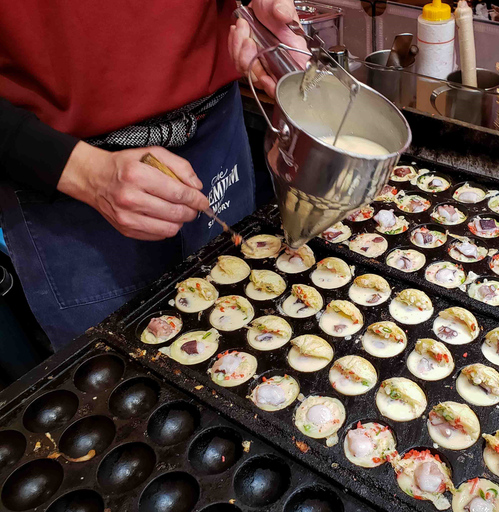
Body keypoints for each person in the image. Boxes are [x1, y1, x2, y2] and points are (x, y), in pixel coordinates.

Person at [0, 0, 306, 350]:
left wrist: (261, 8)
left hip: (215, 125)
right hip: (66, 170)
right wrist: (79, 171)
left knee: (249, 332)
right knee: (122, 368)